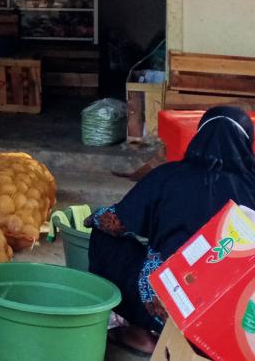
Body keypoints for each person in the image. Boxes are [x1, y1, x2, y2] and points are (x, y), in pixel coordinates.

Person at [89, 105, 255, 356]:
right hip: (231, 320)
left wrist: (96, 216)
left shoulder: (168, 176)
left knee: (104, 237)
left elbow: (116, 223)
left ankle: (142, 333)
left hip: (165, 306)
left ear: (199, 136)